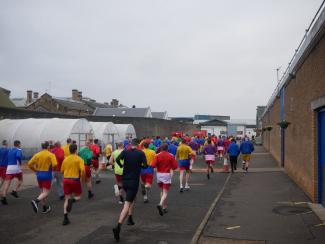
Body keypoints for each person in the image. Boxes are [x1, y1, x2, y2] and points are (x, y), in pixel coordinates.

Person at [112, 138, 147, 242]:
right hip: (133, 181)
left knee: (131, 199)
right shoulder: (141, 153)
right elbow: (145, 166)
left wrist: (122, 165)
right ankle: (118, 226)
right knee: (127, 203)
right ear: (138, 145)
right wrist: (139, 165)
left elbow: (117, 159)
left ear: (131, 144)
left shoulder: (125, 151)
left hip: (125, 180)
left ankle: (130, 218)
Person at [28, 141, 58, 214]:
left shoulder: (37, 155)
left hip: (39, 174)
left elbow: (29, 164)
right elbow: (55, 164)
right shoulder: (51, 154)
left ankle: (44, 207)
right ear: (48, 147)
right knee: (46, 192)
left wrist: (35, 170)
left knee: (42, 192)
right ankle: (36, 201)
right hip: (47, 174)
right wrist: (52, 169)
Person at [61, 143, 85, 225]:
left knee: (66, 198)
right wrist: (82, 178)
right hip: (75, 180)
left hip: (66, 180)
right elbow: (83, 170)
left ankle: (65, 218)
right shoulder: (79, 159)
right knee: (78, 196)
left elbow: (62, 171)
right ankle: (73, 200)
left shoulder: (65, 159)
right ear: (76, 150)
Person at [152, 143, 178, 216]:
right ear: (167, 148)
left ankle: (164, 206)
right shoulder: (171, 155)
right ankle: (160, 204)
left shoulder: (157, 155)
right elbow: (175, 167)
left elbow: (153, 165)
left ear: (160, 148)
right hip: (166, 174)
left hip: (159, 174)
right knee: (165, 192)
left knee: (161, 190)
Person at [1, 140, 23, 205]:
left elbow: (7, 158)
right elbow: (18, 156)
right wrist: (20, 162)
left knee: (7, 183)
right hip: (16, 167)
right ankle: (14, 190)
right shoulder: (19, 150)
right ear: (18, 144)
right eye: (20, 144)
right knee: (21, 179)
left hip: (9, 168)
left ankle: (3, 197)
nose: (20, 145)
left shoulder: (9, 150)